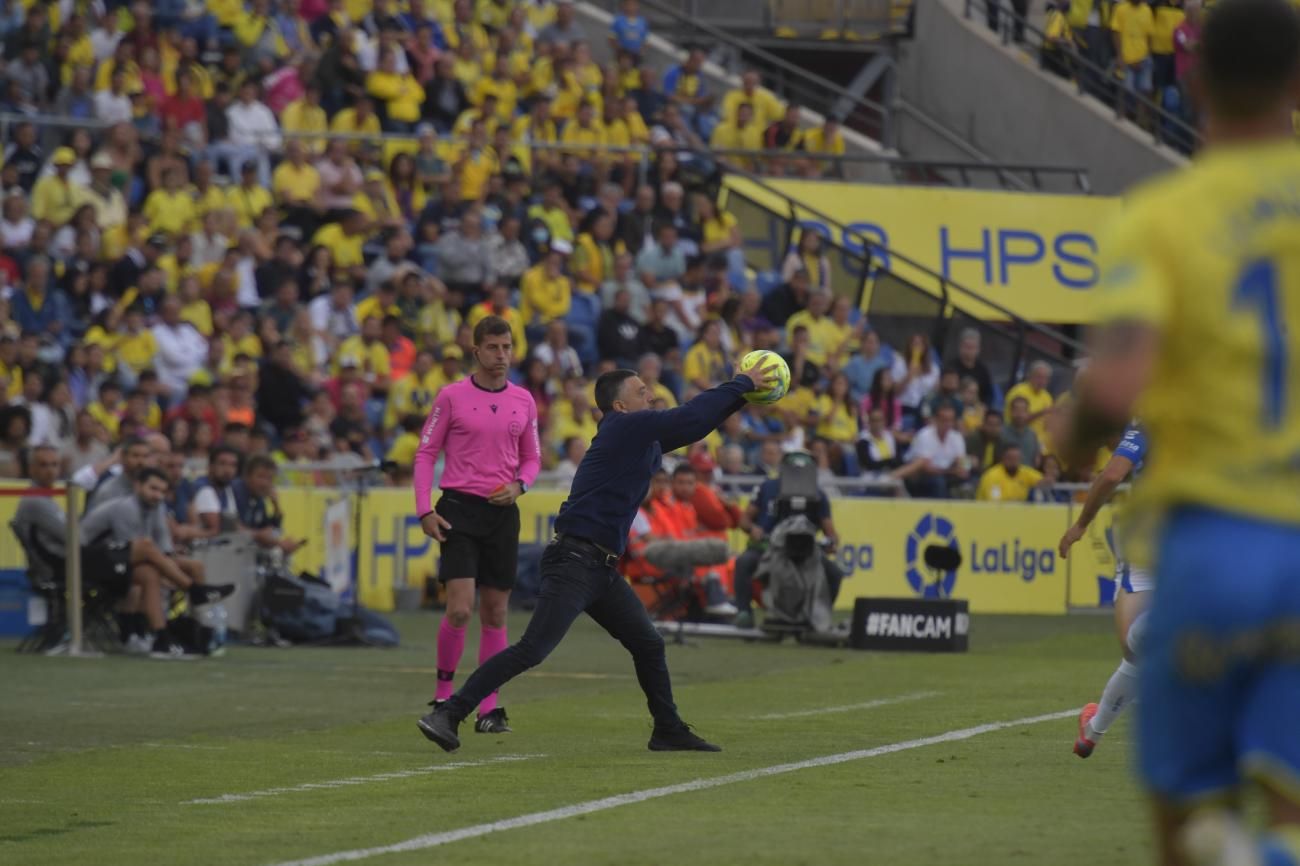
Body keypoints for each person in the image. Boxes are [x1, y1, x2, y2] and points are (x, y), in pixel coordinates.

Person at [1057, 2, 1300, 860]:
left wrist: (1069, 439)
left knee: (1190, 820)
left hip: (1212, 540)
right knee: (1289, 803)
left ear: (1192, 81)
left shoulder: (1161, 217)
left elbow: (1116, 388)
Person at [418, 353, 779, 753]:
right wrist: (742, 384)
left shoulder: (638, 435)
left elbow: (695, 426)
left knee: (648, 643)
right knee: (532, 649)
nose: (652, 396)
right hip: (576, 560)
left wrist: (744, 396)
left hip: (599, 565)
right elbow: (689, 419)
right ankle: (449, 712)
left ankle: (667, 728)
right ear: (620, 406)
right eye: (642, 392)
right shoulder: (624, 428)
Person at [413, 316, 541, 736]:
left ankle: (490, 708)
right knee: (460, 608)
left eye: (506, 347)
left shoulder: (523, 399)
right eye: (493, 348)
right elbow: (425, 453)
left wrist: (520, 486)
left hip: (502, 513)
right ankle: (443, 693)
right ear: (476, 351)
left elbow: (532, 457)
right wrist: (424, 510)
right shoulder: (451, 396)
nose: (501, 355)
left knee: (496, 611)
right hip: (458, 510)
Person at [1058, 425, 1148, 758]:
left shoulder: (1151, 423)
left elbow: (1112, 475)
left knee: (1136, 645)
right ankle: (1092, 732)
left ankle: (1093, 730)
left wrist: (1081, 523)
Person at [81, 466, 234, 658]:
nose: (158, 495)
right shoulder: (125, 508)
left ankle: (198, 634)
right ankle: (194, 591)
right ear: (137, 486)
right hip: (90, 561)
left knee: (194, 566)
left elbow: (164, 549)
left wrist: (170, 567)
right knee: (147, 554)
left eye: (162, 491)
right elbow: (135, 551)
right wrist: (169, 570)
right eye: (153, 489)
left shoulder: (157, 507)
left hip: (123, 560)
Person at [974, 443, 1043, 502]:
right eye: (1010, 458)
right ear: (1003, 458)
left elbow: (1043, 481)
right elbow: (994, 502)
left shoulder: (1025, 472)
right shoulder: (992, 475)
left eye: (1016, 458)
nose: (1013, 462)